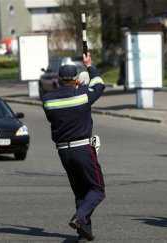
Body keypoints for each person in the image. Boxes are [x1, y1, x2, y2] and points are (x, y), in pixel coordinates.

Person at [42, 53, 105, 242]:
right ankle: (79, 217)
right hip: (82, 148)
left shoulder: (48, 100)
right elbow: (100, 84)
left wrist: (80, 85)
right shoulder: (82, 95)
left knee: (80, 191)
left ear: (59, 79)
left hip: (63, 151)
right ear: (75, 79)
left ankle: (84, 230)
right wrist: (90, 66)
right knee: (97, 189)